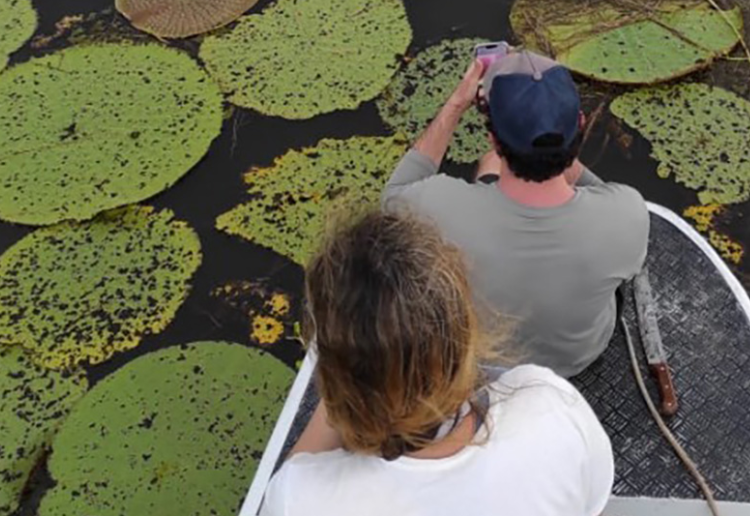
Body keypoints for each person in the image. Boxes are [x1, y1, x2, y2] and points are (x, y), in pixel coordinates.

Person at [259, 211, 614, 516]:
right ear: (462, 328)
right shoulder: (550, 407)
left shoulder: (300, 498)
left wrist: (353, 375)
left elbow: (295, 480)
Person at [382, 50, 649, 377]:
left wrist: (456, 104)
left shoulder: (438, 209)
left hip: (482, 364)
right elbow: (599, 194)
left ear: (493, 139)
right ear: (580, 124)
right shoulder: (627, 214)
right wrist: (559, 149)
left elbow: (392, 196)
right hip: (577, 361)